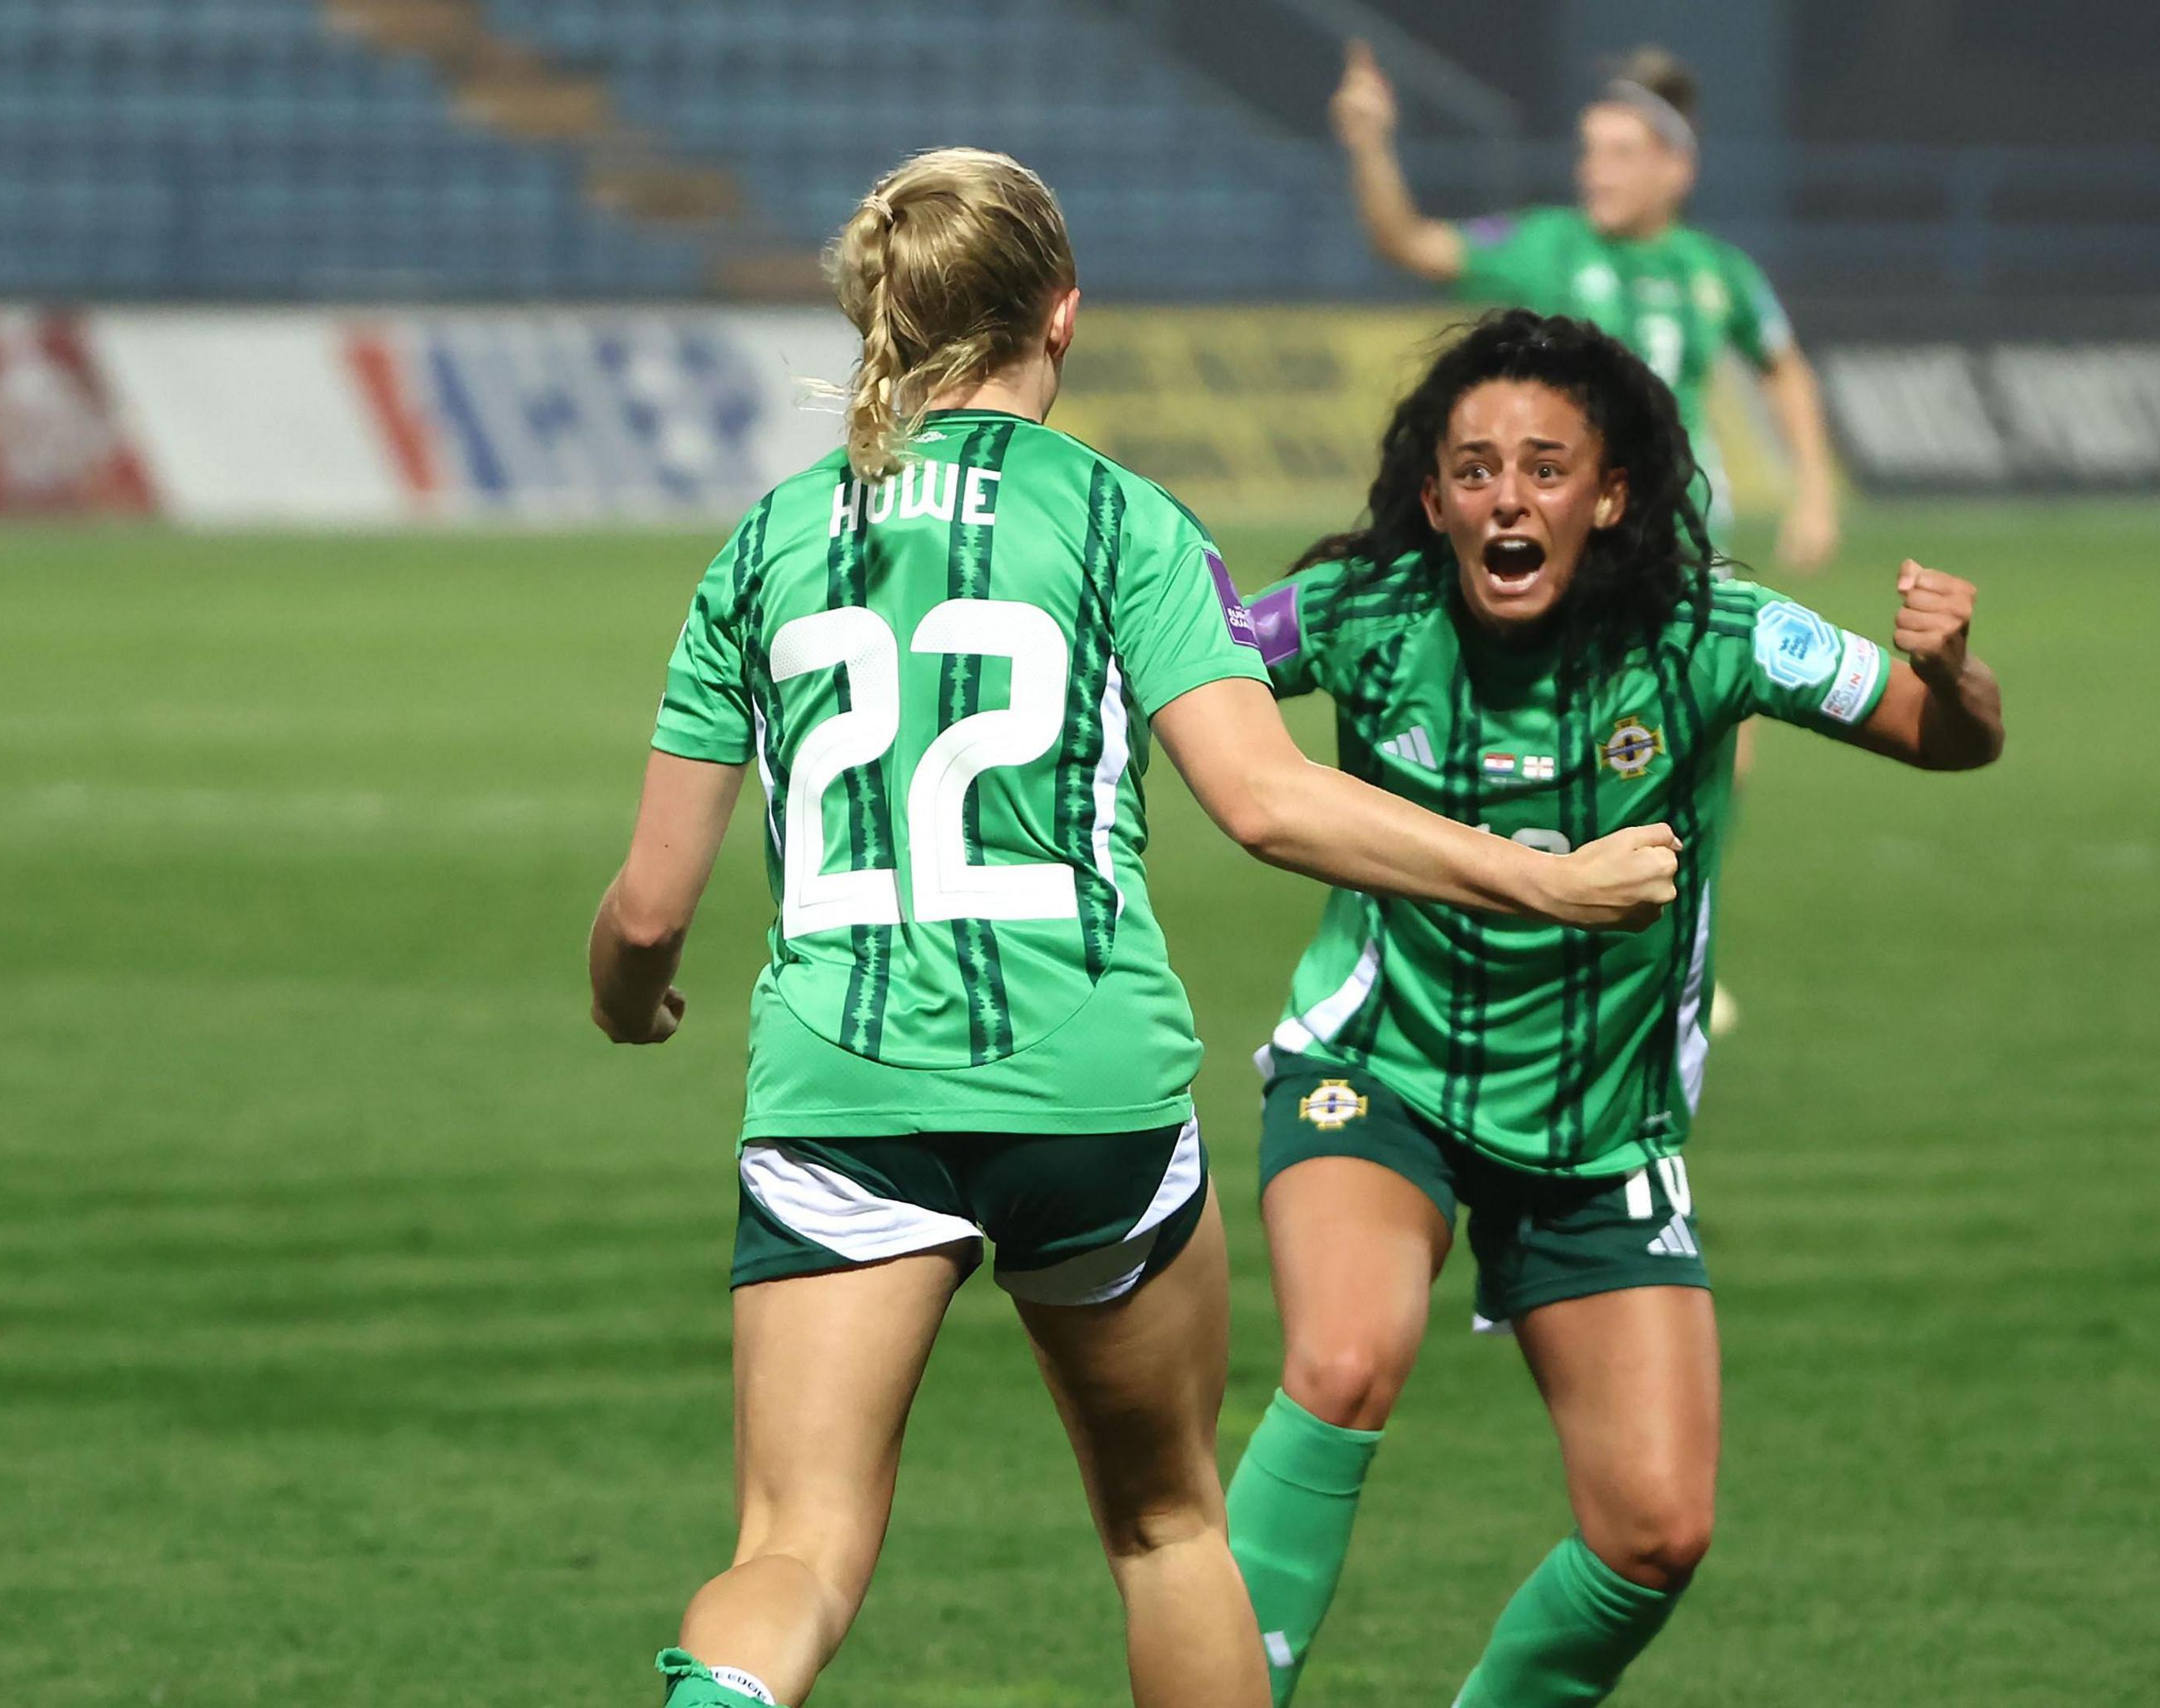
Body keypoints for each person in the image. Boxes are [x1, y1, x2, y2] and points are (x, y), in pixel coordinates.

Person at [588, 155, 1688, 1708]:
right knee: (1169, 1525)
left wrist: (630, 1003)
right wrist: (1551, 878)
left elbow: (647, 913)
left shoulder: (765, 543)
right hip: (1088, 1088)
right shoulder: (1123, 522)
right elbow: (1268, 802)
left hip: (839, 1094)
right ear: (1064, 311)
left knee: (796, 1544)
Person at [1220, 309, 2003, 1707]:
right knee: (1342, 1360)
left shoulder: (1715, 633)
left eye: (1544, 468)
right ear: (1432, 497)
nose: (1507, 500)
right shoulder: (1364, 617)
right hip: (1377, 1072)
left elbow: (1945, 739)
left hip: (1602, 1131)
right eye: (1473, 471)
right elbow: (1187, 675)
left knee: (1654, 1532)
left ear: (1612, 493)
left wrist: (1955, 671)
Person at [1332, 41, 1842, 573]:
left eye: (1621, 154)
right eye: (1590, 151)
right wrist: (1370, 145)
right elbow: (1408, 243)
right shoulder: (1547, 245)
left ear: (1677, 167)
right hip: (1570, 530)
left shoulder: (1719, 269)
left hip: (1683, 534)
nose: (1596, 171)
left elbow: (1784, 370)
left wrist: (1815, 496)